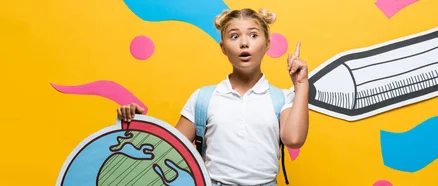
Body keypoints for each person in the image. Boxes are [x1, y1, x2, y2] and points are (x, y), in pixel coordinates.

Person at [117, 8, 309, 186]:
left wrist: (301, 84)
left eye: (253, 35)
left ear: (267, 44)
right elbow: (171, 150)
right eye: (234, 36)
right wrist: (139, 123)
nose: (244, 43)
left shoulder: (281, 98)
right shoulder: (203, 98)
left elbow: (294, 139)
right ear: (223, 47)